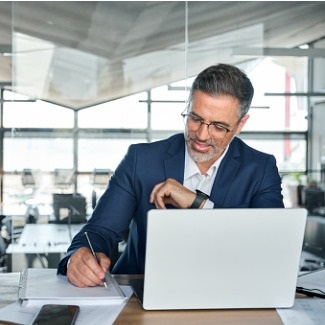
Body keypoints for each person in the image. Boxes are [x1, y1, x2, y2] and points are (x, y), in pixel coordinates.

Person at [57, 63, 284, 287]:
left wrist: (198, 204)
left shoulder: (260, 169)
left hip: (226, 294)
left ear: (241, 124)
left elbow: (269, 248)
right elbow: (99, 231)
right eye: (195, 118)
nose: (202, 135)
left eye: (218, 126)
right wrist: (78, 258)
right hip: (139, 295)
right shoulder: (141, 160)